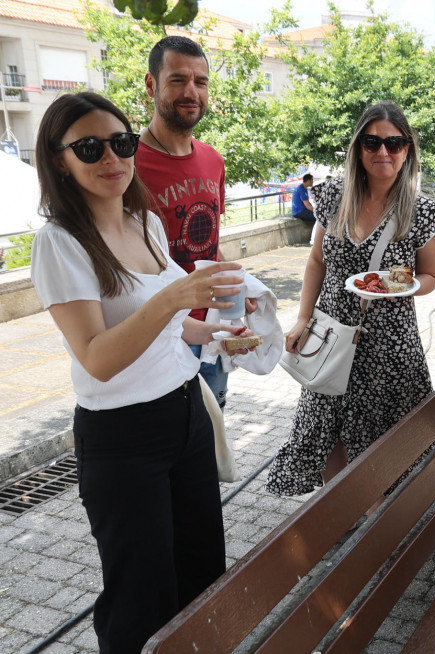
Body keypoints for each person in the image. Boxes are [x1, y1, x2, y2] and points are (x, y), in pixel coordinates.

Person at [29, 92, 254, 652]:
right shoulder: (59, 243)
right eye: (89, 147)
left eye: (122, 142)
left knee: (202, 571)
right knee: (140, 596)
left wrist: (220, 334)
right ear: (59, 160)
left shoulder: (146, 222)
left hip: (185, 415)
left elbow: (175, 325)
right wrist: (175, 296)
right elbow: (98, 358)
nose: (112, 158)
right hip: (123, 439)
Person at [267, 101, 435, 496]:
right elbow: (316, 261)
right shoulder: (333, 197)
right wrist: (302, 318)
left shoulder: (425, 212)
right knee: (329, 432)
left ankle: (370, 515)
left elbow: (431, 276)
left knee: (380, 438)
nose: (383, 152)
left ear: (407, 150)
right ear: (358, 149)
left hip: (389, 343)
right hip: (332, 333)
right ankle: (339, 514)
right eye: (372, 142)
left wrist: (403, 286)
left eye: (394, 143)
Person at [135, 35, 251, 410]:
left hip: (212, 331)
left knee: (209, 445)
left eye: (200, 82)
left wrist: (237, 290)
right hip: (157, 335)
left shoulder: (213, 160)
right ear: (152, 84)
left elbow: (210, 244)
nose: (192, 92)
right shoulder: (125, 165)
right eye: (178, 80)